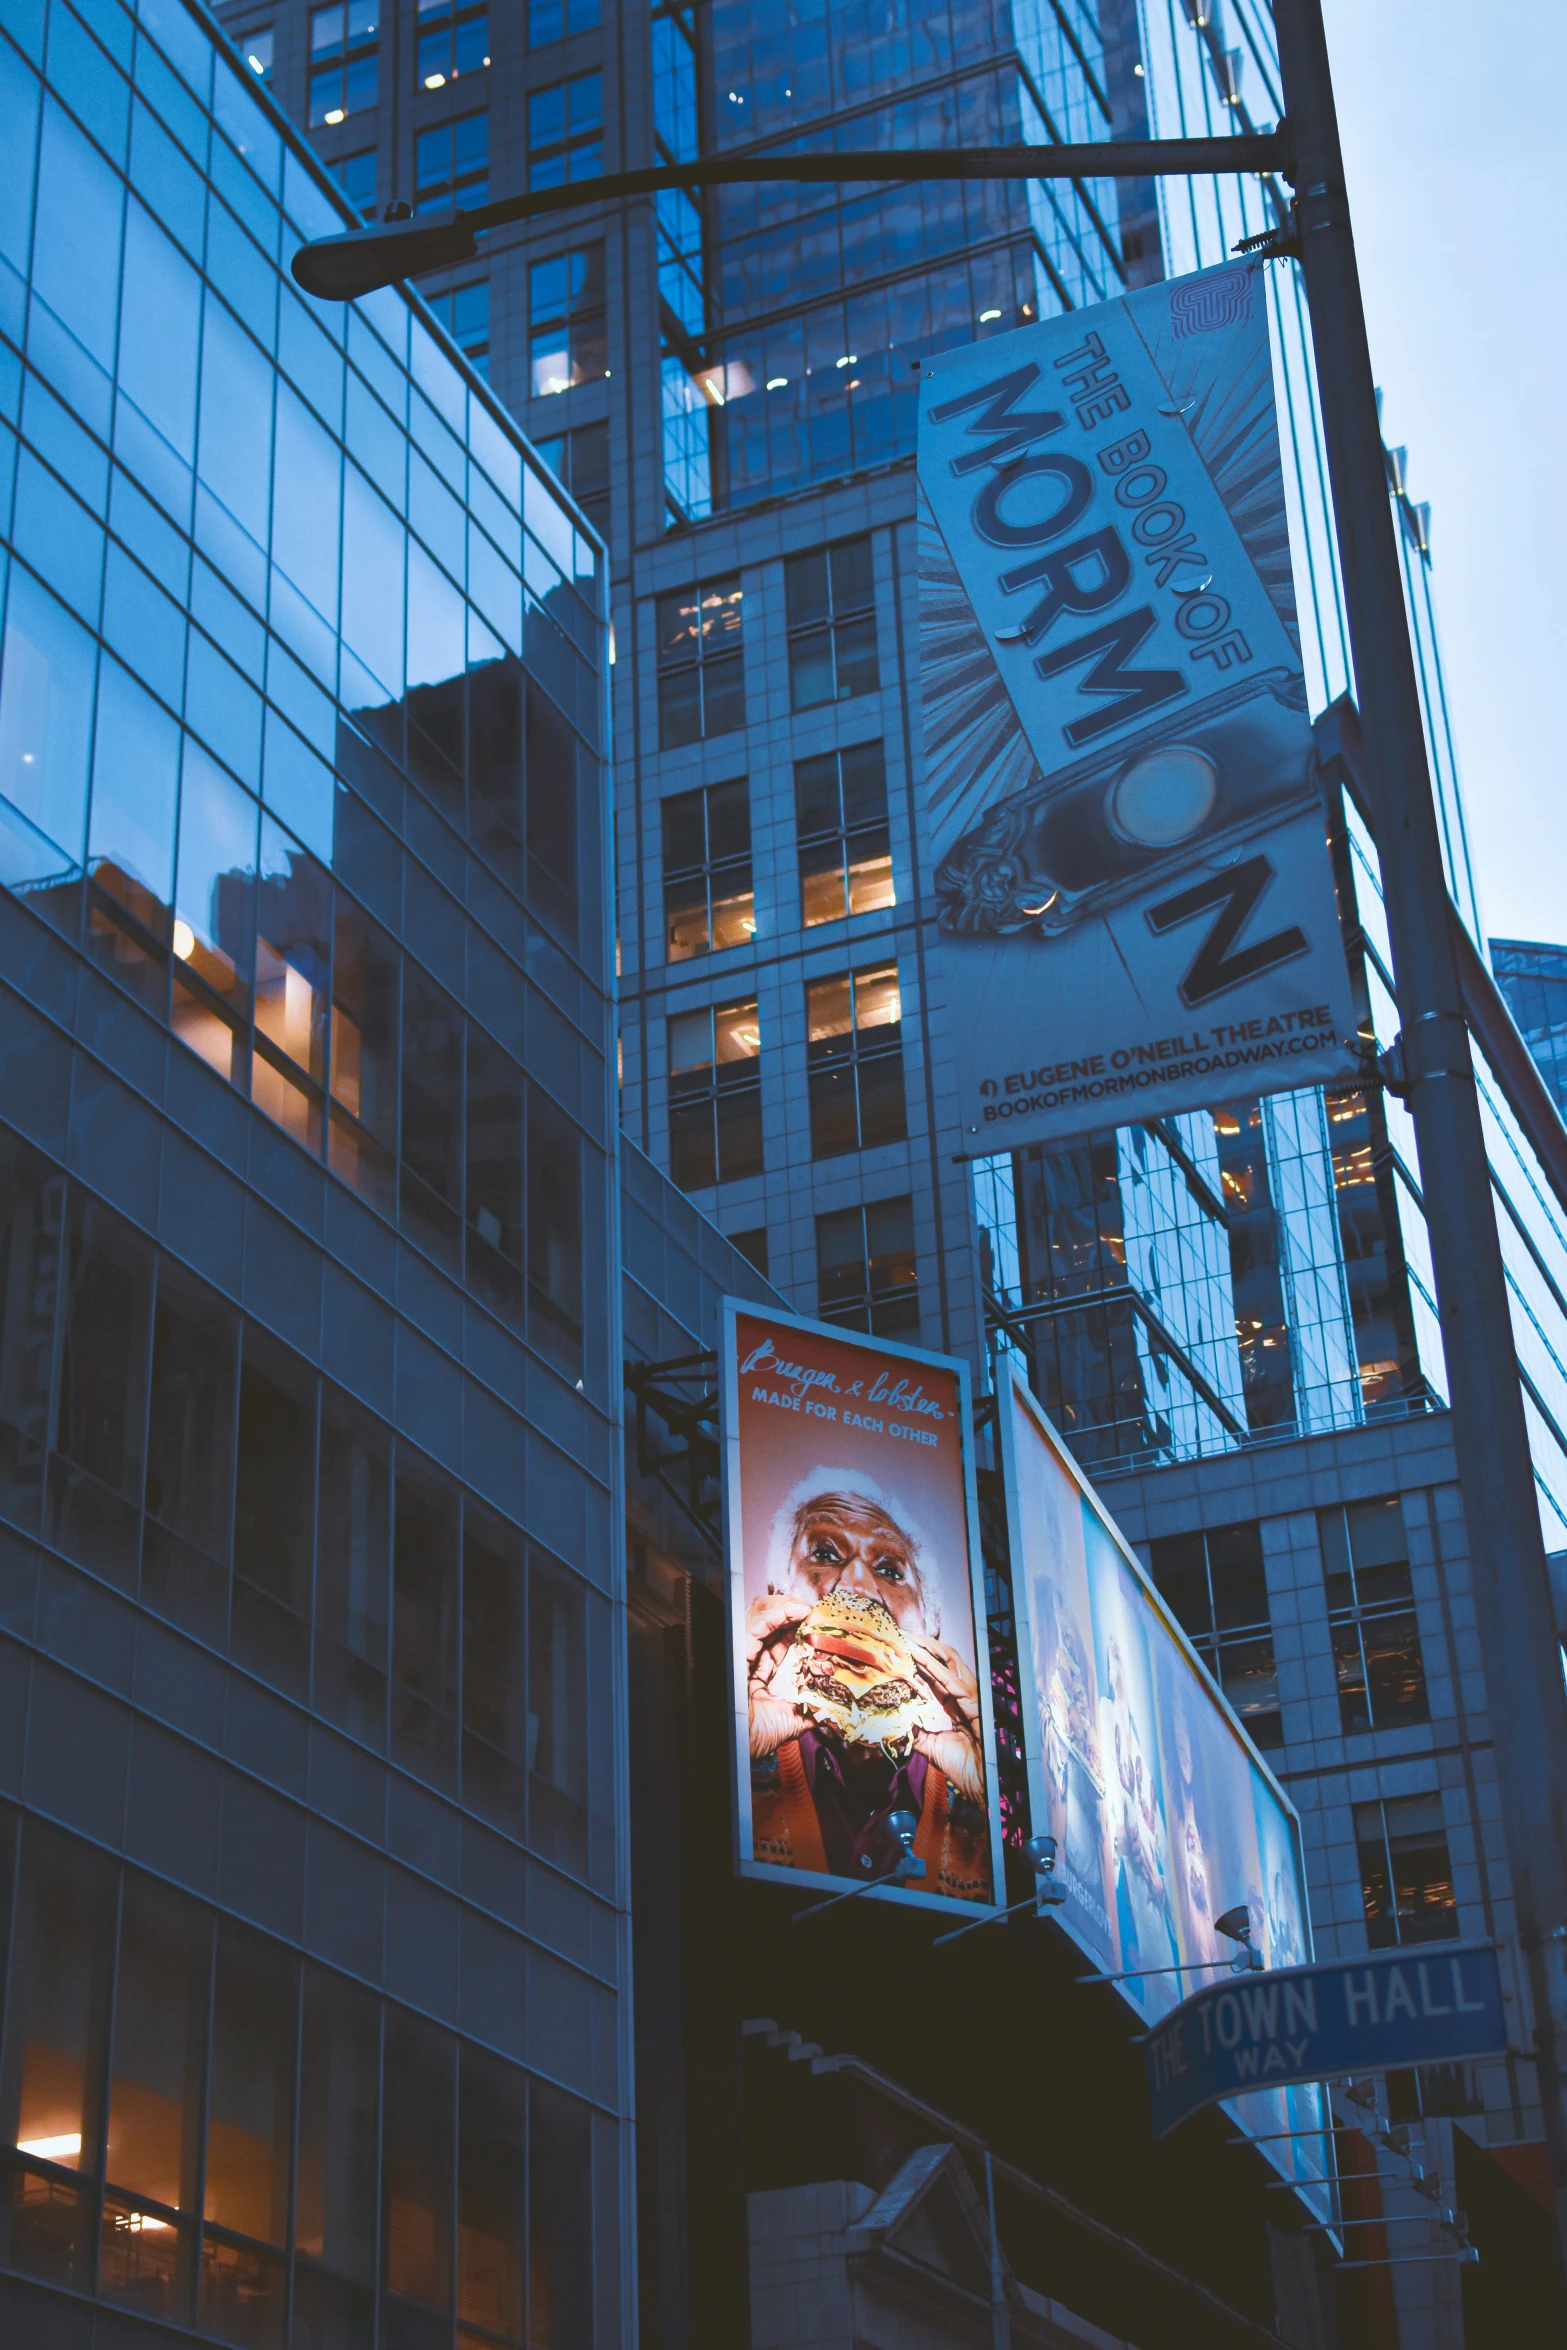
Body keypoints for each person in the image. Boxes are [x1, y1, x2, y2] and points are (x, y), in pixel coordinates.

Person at [744, 1478, 991, 1901]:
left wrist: (986, 1788)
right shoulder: (740, 1752)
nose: (857, 1587)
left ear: (929, 1627)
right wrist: (734, 1741)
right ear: (779, 1598)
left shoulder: (973, 1797)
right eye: (824, 1553)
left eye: (890, 1571)